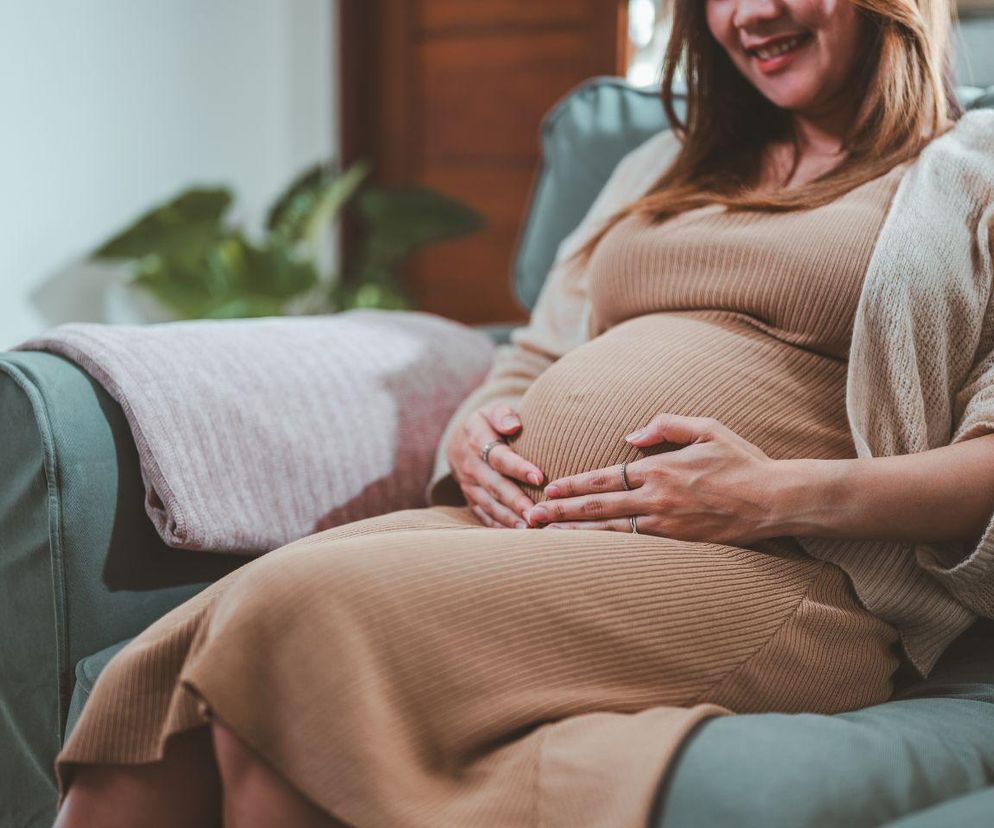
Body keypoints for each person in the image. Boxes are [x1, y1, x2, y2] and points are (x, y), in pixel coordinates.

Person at [54, 0, 994, 826]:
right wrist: (480, 428)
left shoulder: (970, 176)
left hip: (786, 574)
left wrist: (769, 495)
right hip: (530, 529)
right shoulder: (665, 163)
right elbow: (536, 352)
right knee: (175, 666)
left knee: (294, 622)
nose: (746, 13)